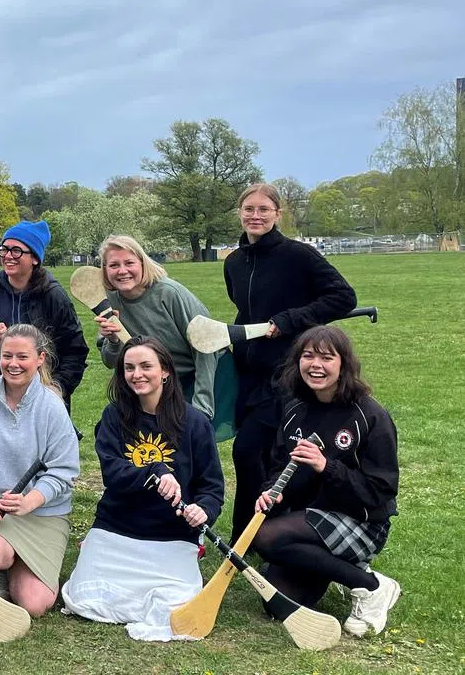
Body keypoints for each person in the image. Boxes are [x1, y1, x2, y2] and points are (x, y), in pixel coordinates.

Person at [61, 337, 224, 640]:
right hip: (117, 528)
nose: (137, 374)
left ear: (165, 371)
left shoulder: (196, 422)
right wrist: (156, 470)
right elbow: (114, 474)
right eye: (129, 368)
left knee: (177, 607)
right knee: (84, 599)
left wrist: (204, 510)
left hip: (172, 534)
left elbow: (212, 488)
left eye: (146, 366)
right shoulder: (113, 417)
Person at [224, 183, 356, 543]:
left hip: (287, 373)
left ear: (278, 214)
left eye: (264, 209)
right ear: (240, 212)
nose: (255, 215)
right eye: (249, 209)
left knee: (248, 450)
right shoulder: (235, 262)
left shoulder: (297, 255)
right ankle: (263, 528)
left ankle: (247, 535)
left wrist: (288, 321)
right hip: (248, 374)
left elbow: (343, 297)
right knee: (264, 454)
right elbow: (245, 308)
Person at [252, 325, 400, 637]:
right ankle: (344, 571)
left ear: (344, 364)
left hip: (362, 521)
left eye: (326, 357)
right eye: (308, 356)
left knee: (267, 537)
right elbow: (280, 466)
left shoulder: (369, 415)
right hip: (310, 519)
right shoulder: (295, 409)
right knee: (281, 603)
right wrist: (272, 492)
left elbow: (381, 490)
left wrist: (326, 466)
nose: (315, 365)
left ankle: (372, 586)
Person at [0, 324, 81, 617]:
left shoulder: (52, 406)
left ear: (40, 358)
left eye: (22, 357)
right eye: (7, 356)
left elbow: (64, 469)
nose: (13, 364)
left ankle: (19, 565)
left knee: (34, 605)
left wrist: (31, 500)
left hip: (41, 514)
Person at [0, 220, 88, 411]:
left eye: (17, 251)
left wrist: (57, 388)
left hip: (44, 395)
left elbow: (75, 351)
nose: (8, 256)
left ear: (35, 258)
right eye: (4, 249)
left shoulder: (53, 296)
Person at [94, 235, 219, 421]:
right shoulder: (108, 301)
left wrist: (202, 406)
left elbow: (207, 345)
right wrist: (113, 340)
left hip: (190, 380)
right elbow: (111, 361)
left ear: (143, 264)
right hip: (146, 385)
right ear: (105, 270)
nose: (122, 271)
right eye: (114, 265)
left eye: (129, 263)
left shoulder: (169, 294)